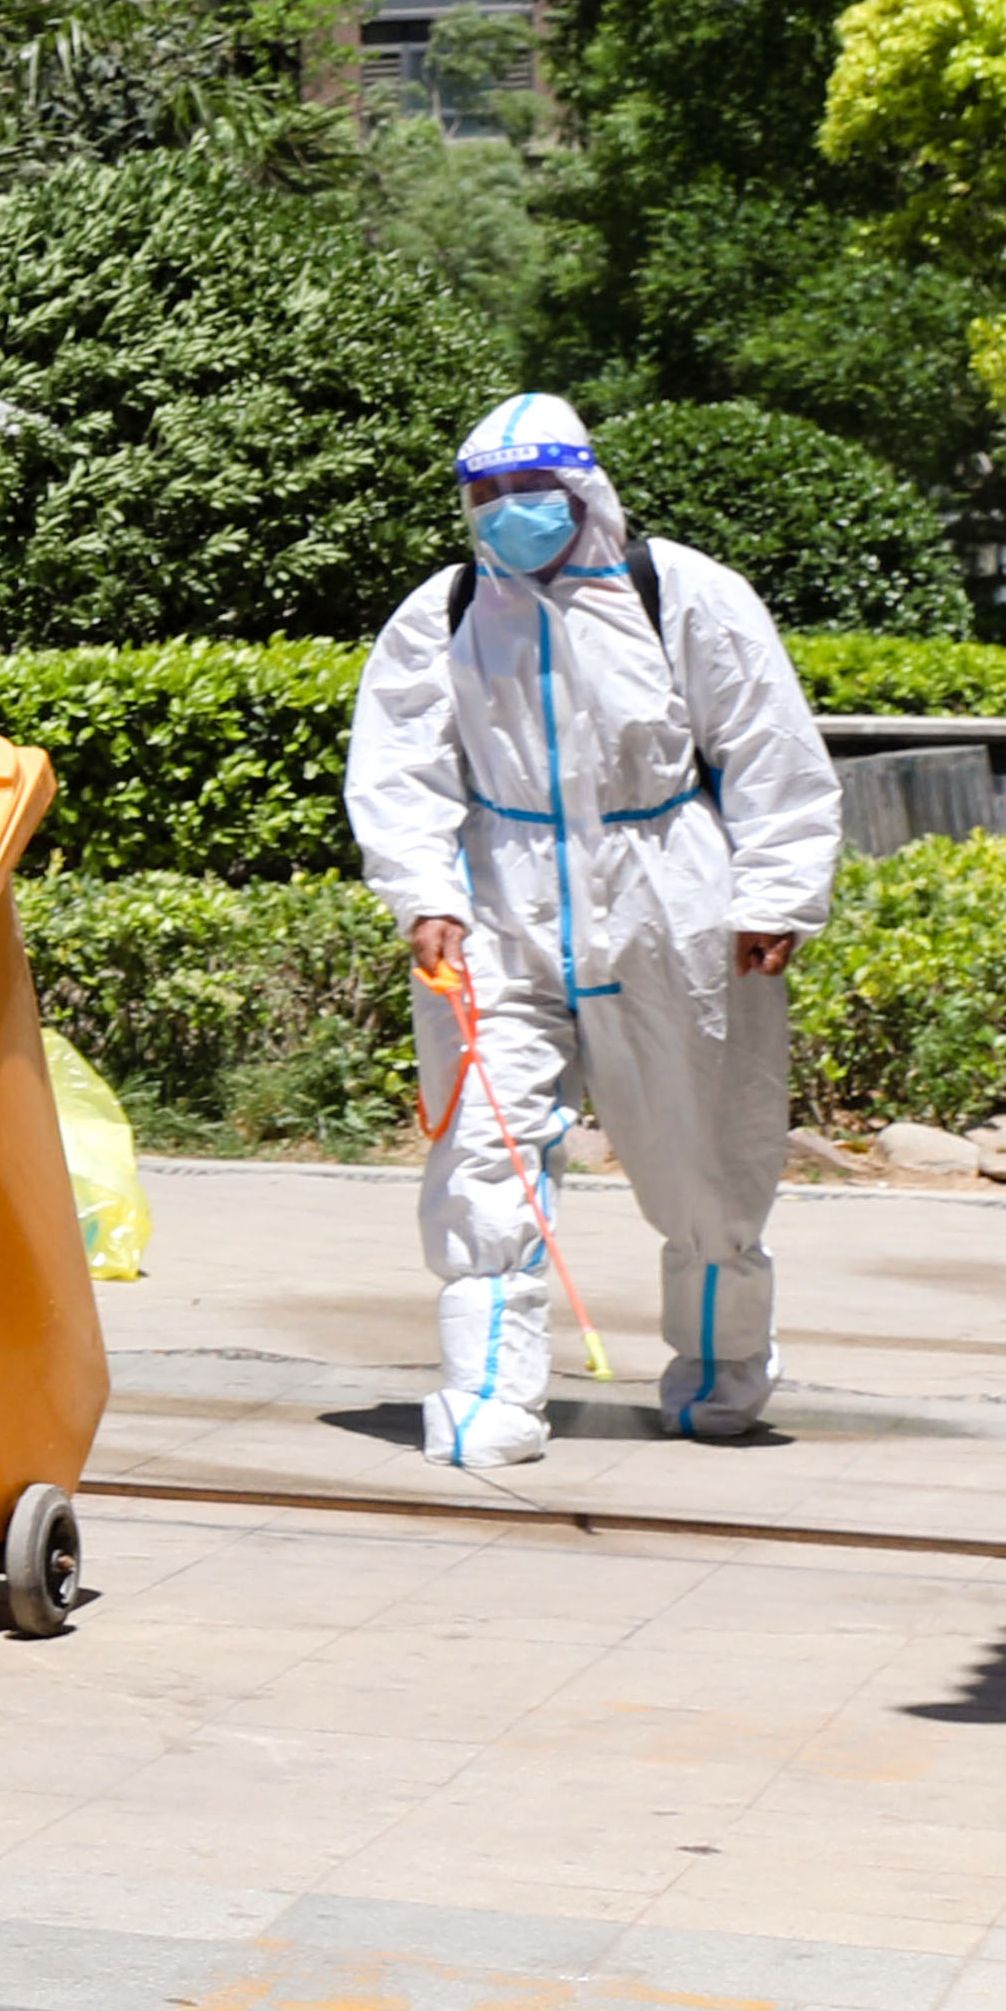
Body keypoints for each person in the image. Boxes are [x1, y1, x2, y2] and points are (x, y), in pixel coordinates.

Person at [347, 392, 843, 1458]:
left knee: (706, 1151)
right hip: (500, 911)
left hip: (672, 902)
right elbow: (399, 767)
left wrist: (775, 895)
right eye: (486, 491)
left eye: (532, 486)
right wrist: (426, 893)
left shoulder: (683, 593)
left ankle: (720, 1370)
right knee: (486, 1149)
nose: (509, 508)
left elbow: (769, 745)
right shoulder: (445, 611)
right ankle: (490, 1396)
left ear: (583, 488)